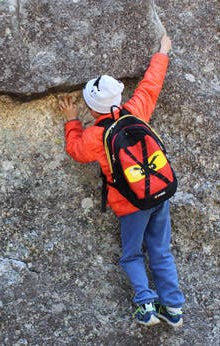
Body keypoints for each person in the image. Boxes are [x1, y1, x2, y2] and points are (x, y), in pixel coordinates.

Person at [57, 34, 184, 328]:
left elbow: (75, 151)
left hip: (130, 205)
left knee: (131, 255)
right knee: (161, 251)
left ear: (91, 109)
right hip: (159, 193)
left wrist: (71, 120)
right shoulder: (136, 109)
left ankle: (146, 306)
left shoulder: (94, 137)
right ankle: (174, 308)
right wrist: (163, 52)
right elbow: (151, 84)